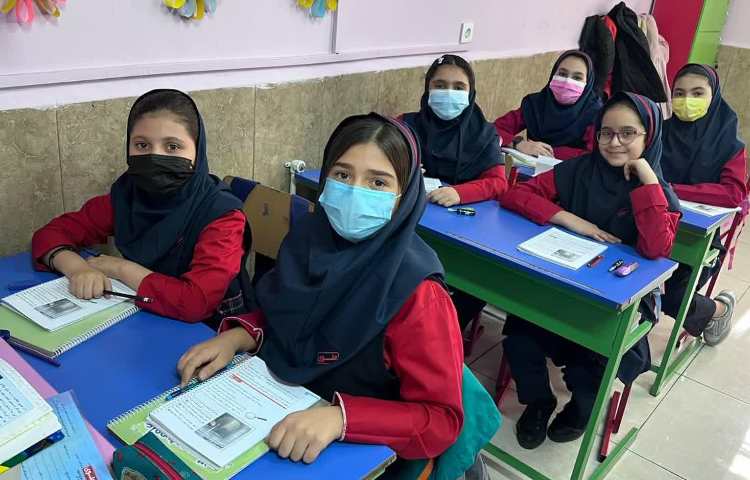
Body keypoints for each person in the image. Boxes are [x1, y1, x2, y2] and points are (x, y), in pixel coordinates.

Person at [177, 113, 492, 478]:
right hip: (283, 412)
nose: (355, 192)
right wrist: (238, 336)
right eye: (342, 175)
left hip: (365, 448)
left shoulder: (419, 294)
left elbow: (440, 420)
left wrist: (341, 418)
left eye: (378, 182)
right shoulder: (307, 241)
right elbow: (287, 315)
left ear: (405, 196)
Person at [501, 92, 681, 449]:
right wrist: (571, 220)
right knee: (520, 332)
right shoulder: (578, 169)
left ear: (649, 137)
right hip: (564, 279)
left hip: (617, 298)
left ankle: (582, 408)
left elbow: (656, 248)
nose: (614, 143)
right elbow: (515, 195)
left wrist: (647, 181)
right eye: (606, 132)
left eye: (628, 133)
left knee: (594, 355)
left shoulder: (659, 192)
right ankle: (539, 400)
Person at [31, 89, 254, 325]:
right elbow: (51, 233)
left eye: (172, 147)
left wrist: (120, 268)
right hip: (147, 317)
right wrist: (77, 269)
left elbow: (195, 303)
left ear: (197, 152)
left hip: (213, 330)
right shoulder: (129, 195)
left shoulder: (222, 216)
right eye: (142, 145)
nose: (154, 157)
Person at [660, 64, 748, 345]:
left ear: (714, 95)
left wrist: (672, 190)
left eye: (698, 93)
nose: (687, 100)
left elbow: (732, 193)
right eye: (679, 93)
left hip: (698, 239)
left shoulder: (728, 142)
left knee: (671, 296)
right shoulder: (660, 131)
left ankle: (719, 309)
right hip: (654, 226)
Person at [494, 50, 602, 160]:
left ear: (588, 83)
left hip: (572, 169)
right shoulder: (536, 104)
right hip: (529, 167)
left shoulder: (595, 113)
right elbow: (493, 130)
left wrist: (549, 152)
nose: (567, 81)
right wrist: (519, 143)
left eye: (577, 78)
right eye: (562, 74)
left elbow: (596, 154)